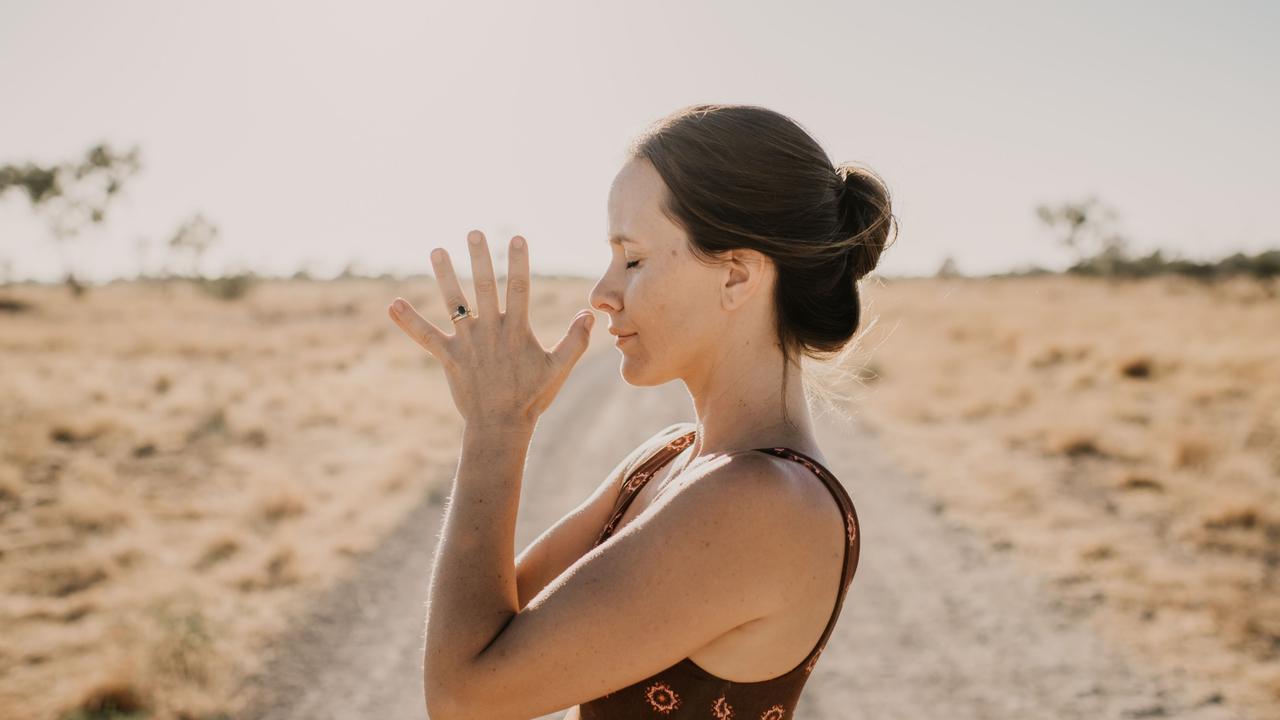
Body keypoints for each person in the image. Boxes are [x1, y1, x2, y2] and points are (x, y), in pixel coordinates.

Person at [392, 103, 896, 719]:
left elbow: (464, 696)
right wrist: (502, 416)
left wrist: (497, 427)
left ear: (736, 277)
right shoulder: (669, 456)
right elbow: (491, 627)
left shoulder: (764, 504)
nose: (602, 294)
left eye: (632, 259)